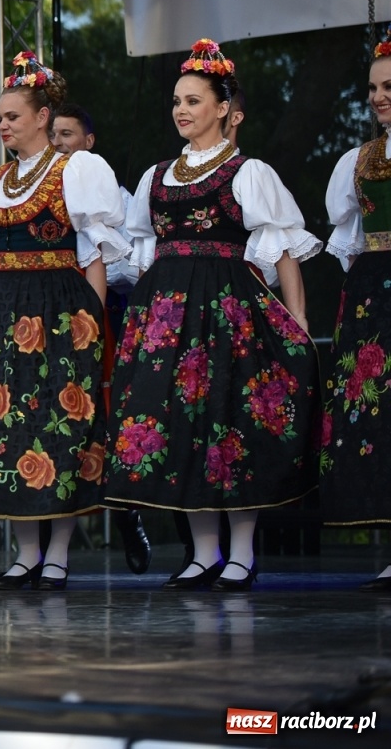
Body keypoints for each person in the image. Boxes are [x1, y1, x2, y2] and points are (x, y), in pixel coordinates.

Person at [107, 40, 321, 591]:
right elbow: (140, 255)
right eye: (177, 101)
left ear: (223, 107)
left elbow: (282, 252)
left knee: (230, 426)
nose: (181, 110)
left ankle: (241, 553)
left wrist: (295, 324)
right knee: (181, 427)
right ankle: (203, 553)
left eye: (194, 100)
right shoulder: (156, 178)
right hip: (168, 316)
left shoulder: (248, 172)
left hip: (228, 313)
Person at [0, 52, 128, 591]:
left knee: (57, 424)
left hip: (59, 309)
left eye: (11, 116)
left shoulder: (78, 170)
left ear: (43, 117)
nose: (2, 125)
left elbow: (94, 254)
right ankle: (25, 552)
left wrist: (91, 324)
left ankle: (58, 554)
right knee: (7, 428)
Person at [48, 102, 154, 577]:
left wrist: (78, 273)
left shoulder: (117, 196)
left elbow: (134, 266)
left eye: (67, 134)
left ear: (89, 142)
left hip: (100, 317)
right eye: (53, 134)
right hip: (43, 319)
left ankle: (128, 509)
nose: (58, 143)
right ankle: (50, 544)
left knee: (103, 420)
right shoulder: (26, 191)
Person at [320, 31, 391, 590]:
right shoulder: (360, 159)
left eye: (388, 86)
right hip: (376, 296)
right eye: (372, 87)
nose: (378, 96)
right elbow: (349, 238)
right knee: (380, 418)